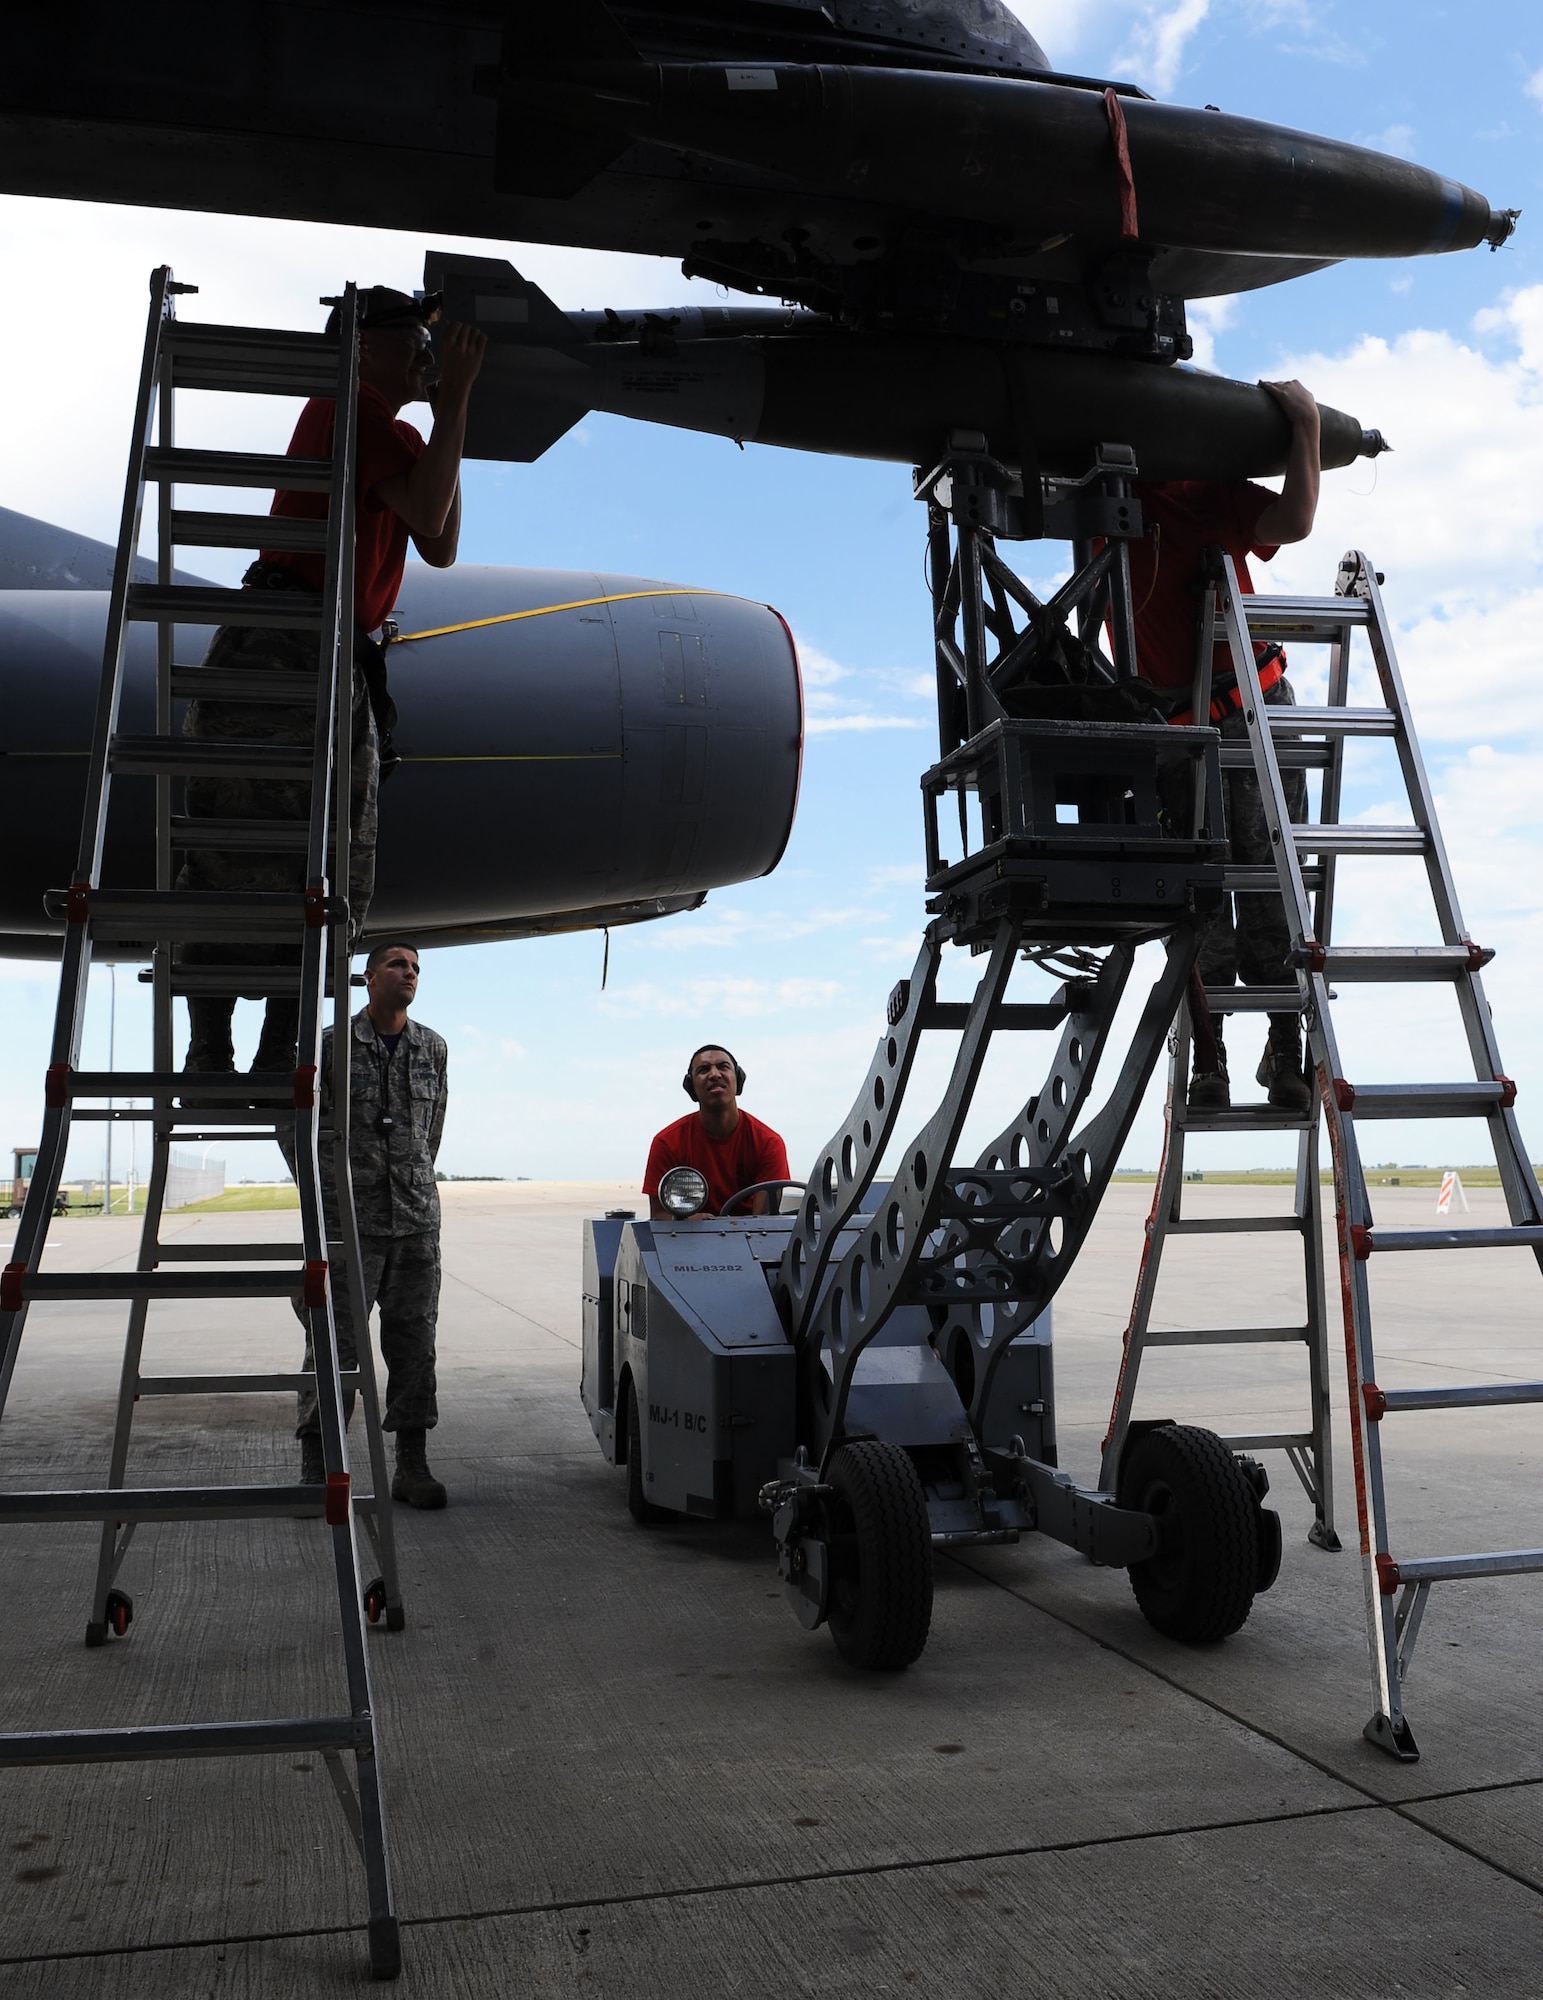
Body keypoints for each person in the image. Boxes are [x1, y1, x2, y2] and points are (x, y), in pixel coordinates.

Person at [179, 287, 486, 1086]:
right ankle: (212, 1044)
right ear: (364, 345)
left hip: (331, 651)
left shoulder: (390, 428)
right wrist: (448, 401)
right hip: (285, 644)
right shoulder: (345, 403)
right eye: (414, 341)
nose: (426, 355)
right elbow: (428, 509)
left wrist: (449, 410)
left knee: (327, 862)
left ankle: (278, 1039)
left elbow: (440, 539)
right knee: (237, 846)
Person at [1126, 378, 1323, 1114]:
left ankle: (1284, 1048)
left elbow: (1293, 520)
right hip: (1171, 731)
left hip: (1249, 708)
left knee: (1270, 881)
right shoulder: (1100, 485)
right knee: (1193, 901)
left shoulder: (1204, 485)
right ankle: (1209, 1058)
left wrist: (1302, 425)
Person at [293, 940, 451, 1509]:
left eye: (414, 967)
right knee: (331, 1348)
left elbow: (430, 1134)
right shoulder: (332, 1046)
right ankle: (318, 1466)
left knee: (415, 1347)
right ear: (367, 978)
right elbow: (300, 1135)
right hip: (348, 1226)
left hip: (414, 1226)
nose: (408, 973)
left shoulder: (433, 1048)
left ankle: (413, 1464)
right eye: (396, 965)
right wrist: (327, 1199)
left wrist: (411, 1184)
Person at [645, 1046, 791, 1219]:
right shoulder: (667, 1143)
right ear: (691, 1087)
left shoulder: (768, 1142)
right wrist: (687, 1221)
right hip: (688, 1240)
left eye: (723, 1066)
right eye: (703, 1070)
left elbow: (763, 1223)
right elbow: (660, 1216)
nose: (714, 1074)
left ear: (738, 1079)